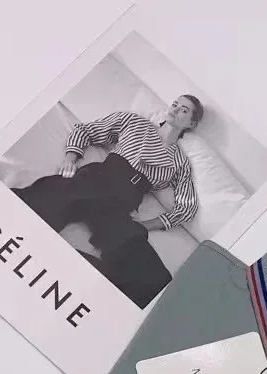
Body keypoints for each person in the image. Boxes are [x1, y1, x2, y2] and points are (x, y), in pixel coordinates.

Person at [12, 95, 204, 309]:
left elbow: (187, 207)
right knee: (44, 202)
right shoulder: (134, 122)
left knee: (147, 274)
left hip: (124, 201)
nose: (175, 109)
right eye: (175, 104)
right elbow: (86, 131)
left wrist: (146, 225)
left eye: (184, 110)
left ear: (191, 124)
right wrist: (70, 158)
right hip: (98, 179)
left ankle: (79, 277)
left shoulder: (179, 162)